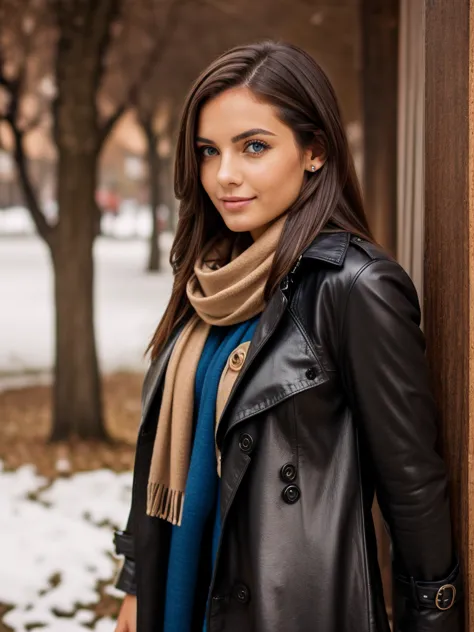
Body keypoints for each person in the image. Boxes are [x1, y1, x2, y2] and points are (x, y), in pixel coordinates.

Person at [113, 41, 462, 632]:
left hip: (284, 608)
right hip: (180, 589)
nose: (224, 174)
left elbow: (414, 490)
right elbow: (165, 450)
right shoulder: (209, 280)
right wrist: (134, 583)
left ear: (315, 151)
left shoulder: (353, 288)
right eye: (208, 151)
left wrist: (433, 620)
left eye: (254, 146)